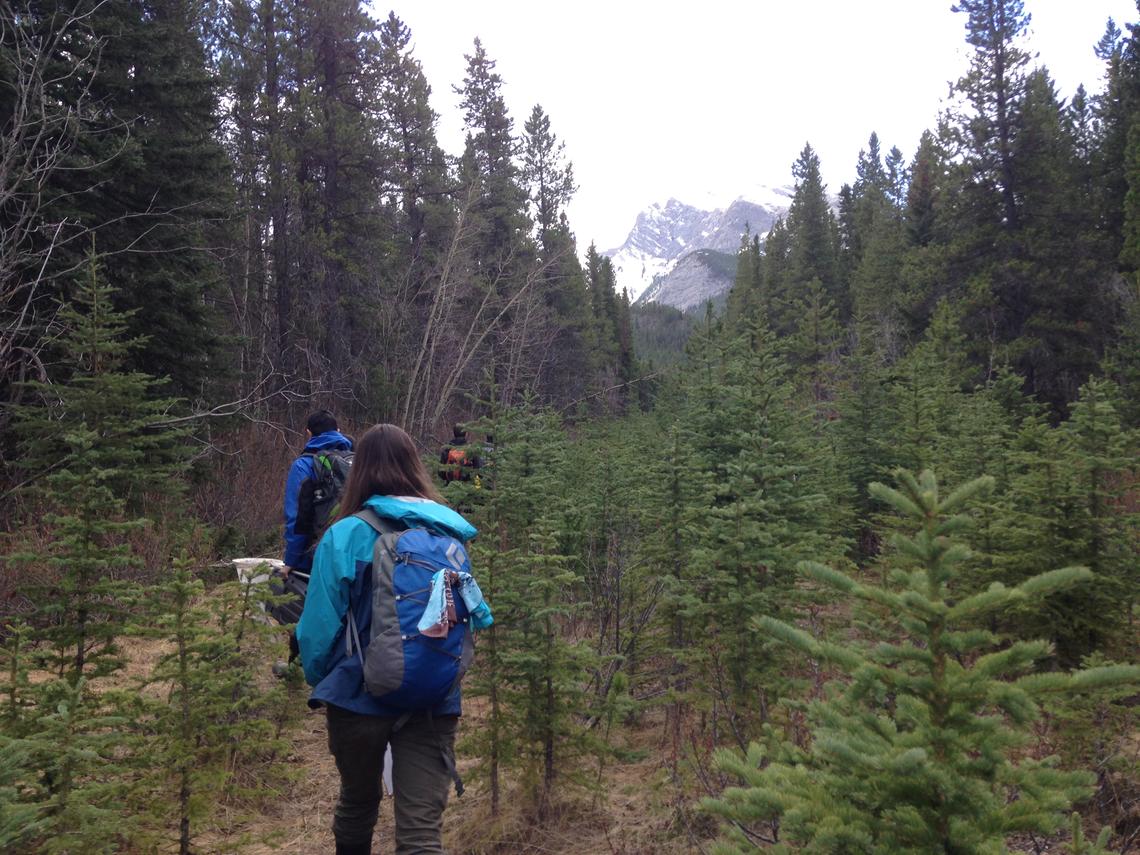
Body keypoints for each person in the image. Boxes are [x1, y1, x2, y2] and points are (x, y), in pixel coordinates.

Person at [296, 423, 477, 855]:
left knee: (358, 805)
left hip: (357, 698)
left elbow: (317, 630)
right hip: (432, 699)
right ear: (415, 467)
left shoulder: (343, 535)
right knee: (420, 834)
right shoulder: (449, 536)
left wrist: (328, 682)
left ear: (359, 472)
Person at [283, 410, 354, 574]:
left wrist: (291, 560)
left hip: (317, 555)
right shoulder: (357, 461)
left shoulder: (303, 465)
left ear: (308, 433)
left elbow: (297, 518)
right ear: (338, 431)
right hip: (356, 553)